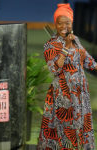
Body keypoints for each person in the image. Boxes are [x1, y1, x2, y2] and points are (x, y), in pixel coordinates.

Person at [37, 3, 97, 150]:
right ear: (55, 24)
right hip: (63, 94)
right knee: (63, 130)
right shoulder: (50, 44)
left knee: (81, 126)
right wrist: (66, 48)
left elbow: (88, 61)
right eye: (60, 23)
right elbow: (55, 69)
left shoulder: (75, 39)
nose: (64, 26)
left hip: (80, 93)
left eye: (67, 22)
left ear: (72, 23)